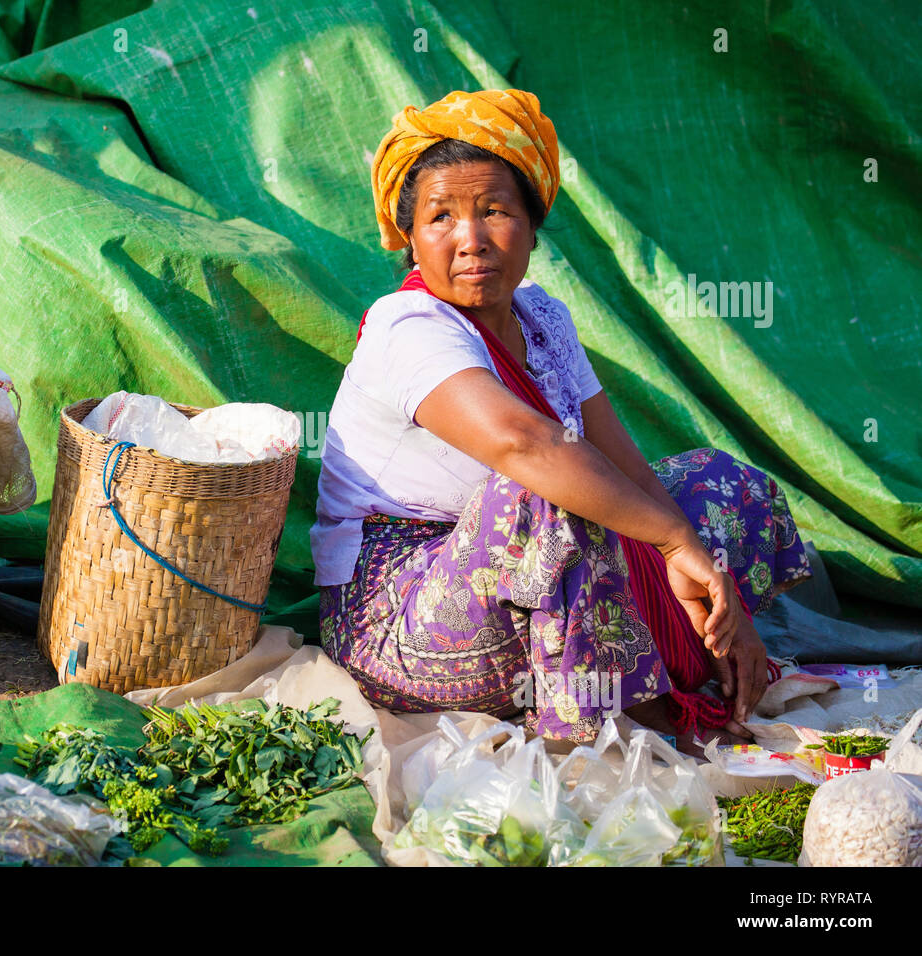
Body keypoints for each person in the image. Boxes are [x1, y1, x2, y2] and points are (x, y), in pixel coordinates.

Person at [311, 89, 813, 748]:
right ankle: (609, 715)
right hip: (399, 619)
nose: (470, 241)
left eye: (494, 211)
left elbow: (626, 465)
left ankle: (697, 646)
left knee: (722, 485)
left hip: (522, 571)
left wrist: (718, 586)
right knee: (550, 492)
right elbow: (524, 445)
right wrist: (670, 543)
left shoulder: (541, 318)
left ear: (532, 222)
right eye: (440, 218)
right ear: (410, 237)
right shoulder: (407, 328)